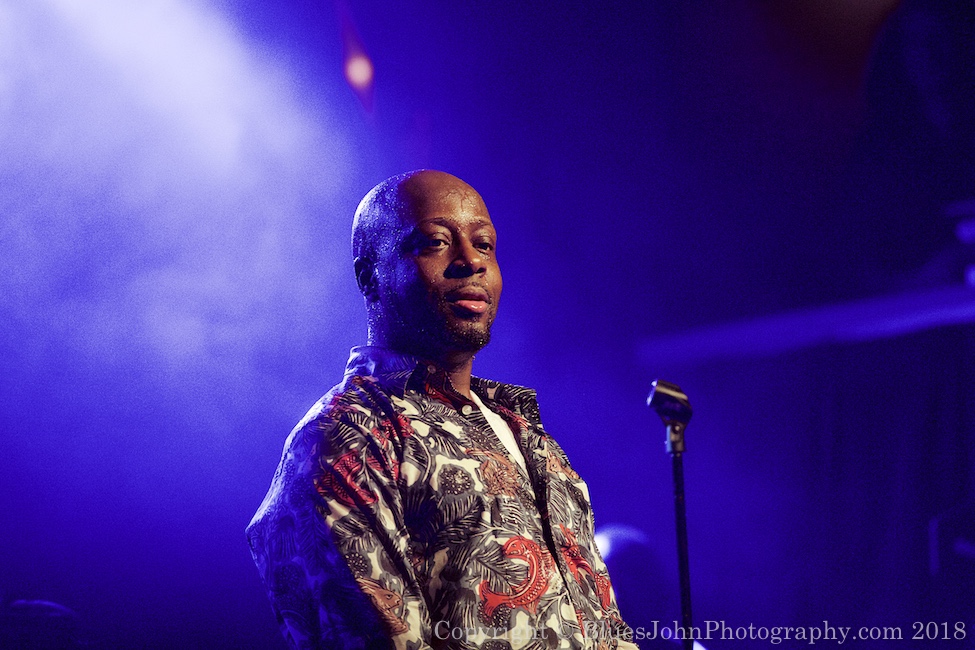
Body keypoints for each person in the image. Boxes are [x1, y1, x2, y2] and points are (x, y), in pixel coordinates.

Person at [247, 170, 638, 649]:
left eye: (485, 245)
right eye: (435, 242)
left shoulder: (525, 433)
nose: (471, 261)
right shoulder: (347, 437)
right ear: (370, 274)